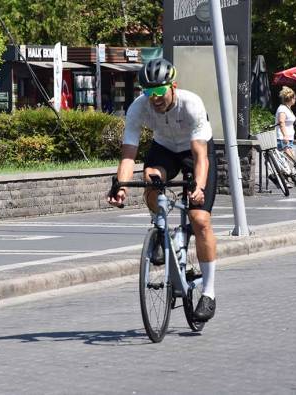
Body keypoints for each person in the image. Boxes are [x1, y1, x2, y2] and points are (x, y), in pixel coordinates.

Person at [107, 58, 218, 323]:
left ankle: (209, 293)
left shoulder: (191, 104)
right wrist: (121, 187)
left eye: (159, 91)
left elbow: (201, 157)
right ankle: (161, 232)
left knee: (200, 220)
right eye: (148, 92)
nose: (154, 98)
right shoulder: (138, 109)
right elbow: (128, 155)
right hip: (165, 149)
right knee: (150, 178)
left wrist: (199, 187)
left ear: (173, 86)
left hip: (195, 150)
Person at [275, 86, 296, 160]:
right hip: (283, 138)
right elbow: (281, 122)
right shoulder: (282, 108)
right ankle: (284, 171)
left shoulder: (288, 109)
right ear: (291, 98)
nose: (295, 100)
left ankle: (287, 171)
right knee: (291, 159)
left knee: (290, 159)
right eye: (294, 98)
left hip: (289, 138)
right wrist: (285, 135)